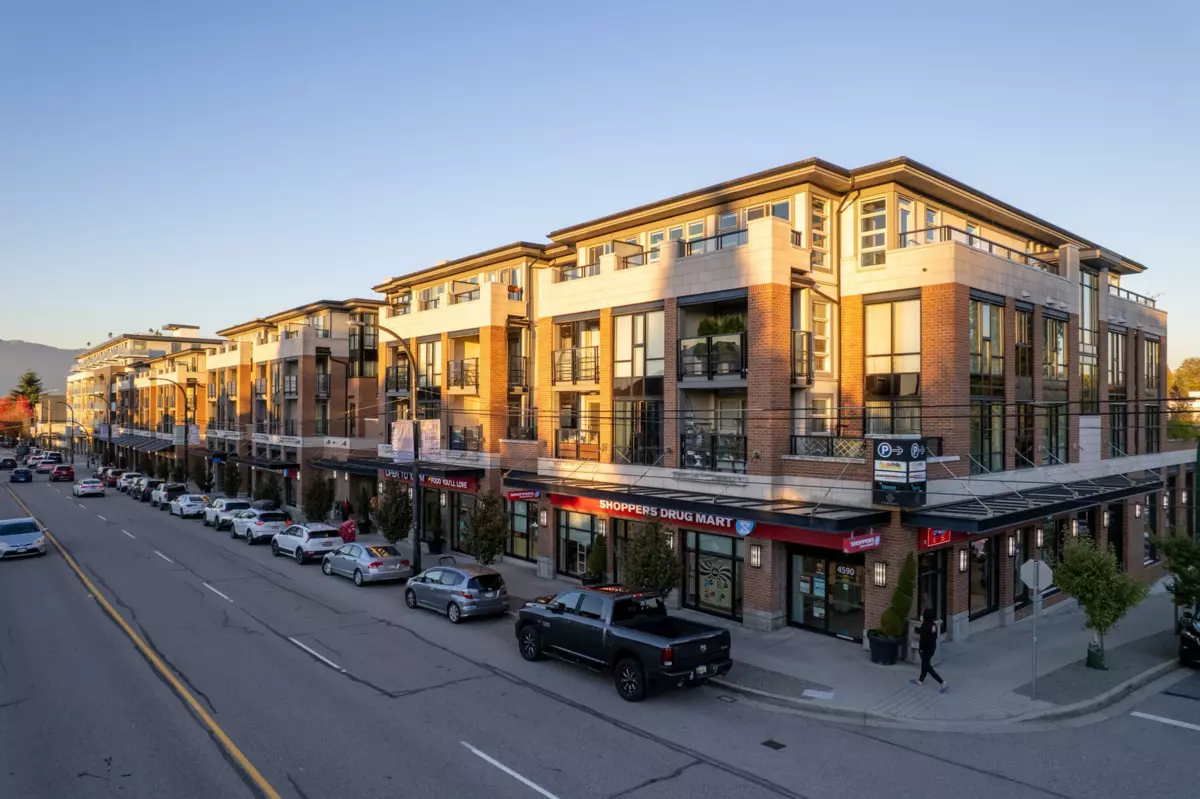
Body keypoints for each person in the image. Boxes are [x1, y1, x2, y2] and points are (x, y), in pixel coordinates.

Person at [911, 608, 948, 692]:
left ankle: (942, 682)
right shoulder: (933, 625)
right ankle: (920, 680)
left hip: (925, 649)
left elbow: (923, 639)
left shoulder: (925, 626)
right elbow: (931, 636)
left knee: (927, 666)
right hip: (931, 648)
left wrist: (921, 649)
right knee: (925, 664)